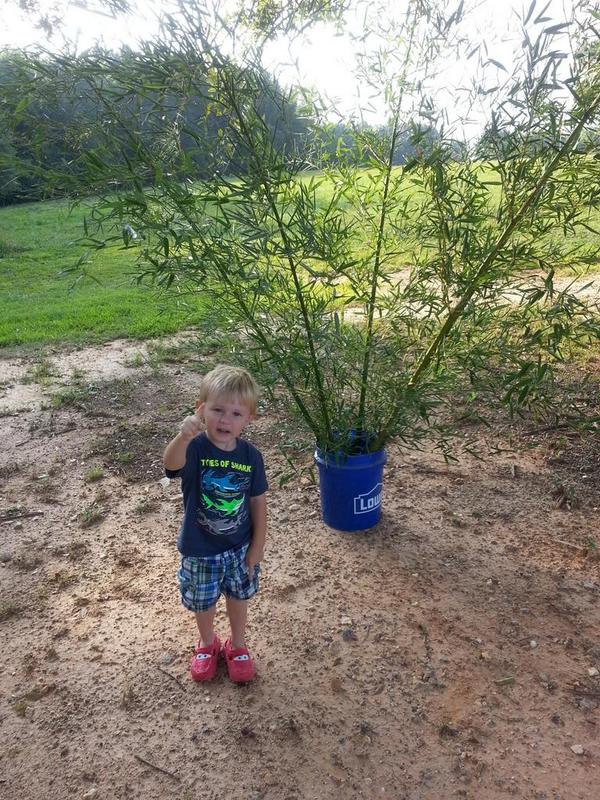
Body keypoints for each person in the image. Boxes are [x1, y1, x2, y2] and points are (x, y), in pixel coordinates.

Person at [163, 364, 268, 683]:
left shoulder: (251, 456)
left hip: (238, 548)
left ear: (249, 419)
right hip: (199, 549)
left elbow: (258, 502)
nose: (225, 419)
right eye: (217, 410)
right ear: (201, 410)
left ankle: (237, 646)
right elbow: (170, 466)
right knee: (203, 601)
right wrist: (182, 436)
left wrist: (258, 545)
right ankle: (207, 645)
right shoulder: (194, 447)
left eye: (236, 413)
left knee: (239, 597)